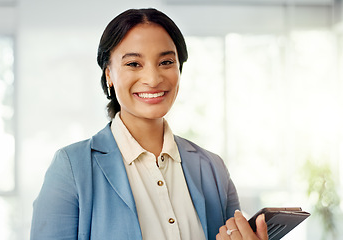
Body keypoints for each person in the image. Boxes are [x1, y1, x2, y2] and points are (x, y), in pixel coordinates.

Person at [30, 8, 268, 240]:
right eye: (133, 64)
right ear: (109, 75)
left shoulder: (213, 169)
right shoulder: (71, 168)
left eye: (166, 62)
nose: (153, 79)